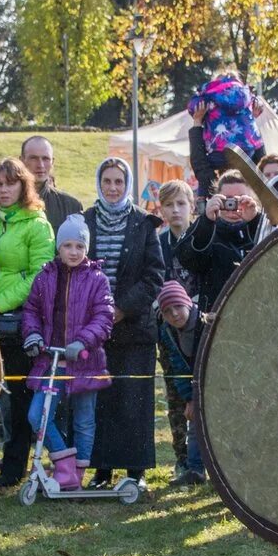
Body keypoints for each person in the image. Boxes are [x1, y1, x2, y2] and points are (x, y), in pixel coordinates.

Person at [0, 157, 56, 488]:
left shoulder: (37, 225)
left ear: (24, 186)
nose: (4, 189)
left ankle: (14, 467)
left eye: (11, 183)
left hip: (21, 321)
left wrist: (0, 303)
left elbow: (41, 273)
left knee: (18, 400)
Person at [84, 158, 164, 490]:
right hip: (96, 330)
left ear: (127, 184)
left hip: (135, 329)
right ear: (99, 183)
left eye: (119, 181)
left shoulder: (143, 223)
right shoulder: (85, 221)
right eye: (107, 181)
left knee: (134, 401)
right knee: (101, 401)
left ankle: (135, 471)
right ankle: (102, 470)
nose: (113, 187)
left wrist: (122, 308)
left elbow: (154, 276)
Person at [21, 214, 115, 489]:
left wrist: (84, 341)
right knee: (37, 415)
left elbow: (104, 316)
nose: (73, 252)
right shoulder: (45, 277)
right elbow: (31, 312)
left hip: (85, 362)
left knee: (85, 419)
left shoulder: (97, 279)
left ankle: (76, 475)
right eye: (68, 246)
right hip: (50, 362)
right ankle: (64, 467)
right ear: (58, 247)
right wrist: (33, 335)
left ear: (86, 249)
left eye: (79, 247)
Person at [178, 171, 263, 313]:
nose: (233, 204)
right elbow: (188, 260)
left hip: (258, 312)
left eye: (241, 198)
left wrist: (255, 221)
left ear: (253, 198)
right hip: (217, 317)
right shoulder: (209, 230)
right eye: (228, 199)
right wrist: (206, 220)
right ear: (216, 198)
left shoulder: (262, 226)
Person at [157, 280, 205, 485]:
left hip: (217, 378)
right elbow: (178, 365)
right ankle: (195, 471)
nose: (174, 314)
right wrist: (190, 399)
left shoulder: (205, 322)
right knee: (195, 423)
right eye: (167, 311)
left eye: (177, 306)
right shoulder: (168, 331)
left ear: (187, 303)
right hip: (193, 379)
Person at [187, 72, 265, 198]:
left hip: (217, 154)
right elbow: (262, 161)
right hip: (247, 152)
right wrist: (250, 120)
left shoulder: (213, 184)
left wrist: (197, 122)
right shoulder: (252, 184)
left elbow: (199, 164)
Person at [19, 136, 83, 231]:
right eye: (33, 158)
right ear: (21, 161)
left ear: (53, 162)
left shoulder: (71, 206)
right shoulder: (7, 202)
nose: (40, 165)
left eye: (45, 159)